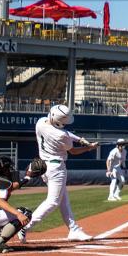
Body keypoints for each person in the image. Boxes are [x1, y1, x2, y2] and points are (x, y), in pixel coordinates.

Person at [18, 104, 97, 243]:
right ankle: (25, 226)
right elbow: (73, 151)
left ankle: (74, 229)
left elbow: (67, 133)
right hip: (56, 168)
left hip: (44, 166)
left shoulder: (41, 122)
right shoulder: (61, 135)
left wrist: (79, 139)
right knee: (53, 201)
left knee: (63, 200)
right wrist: (89, 148)